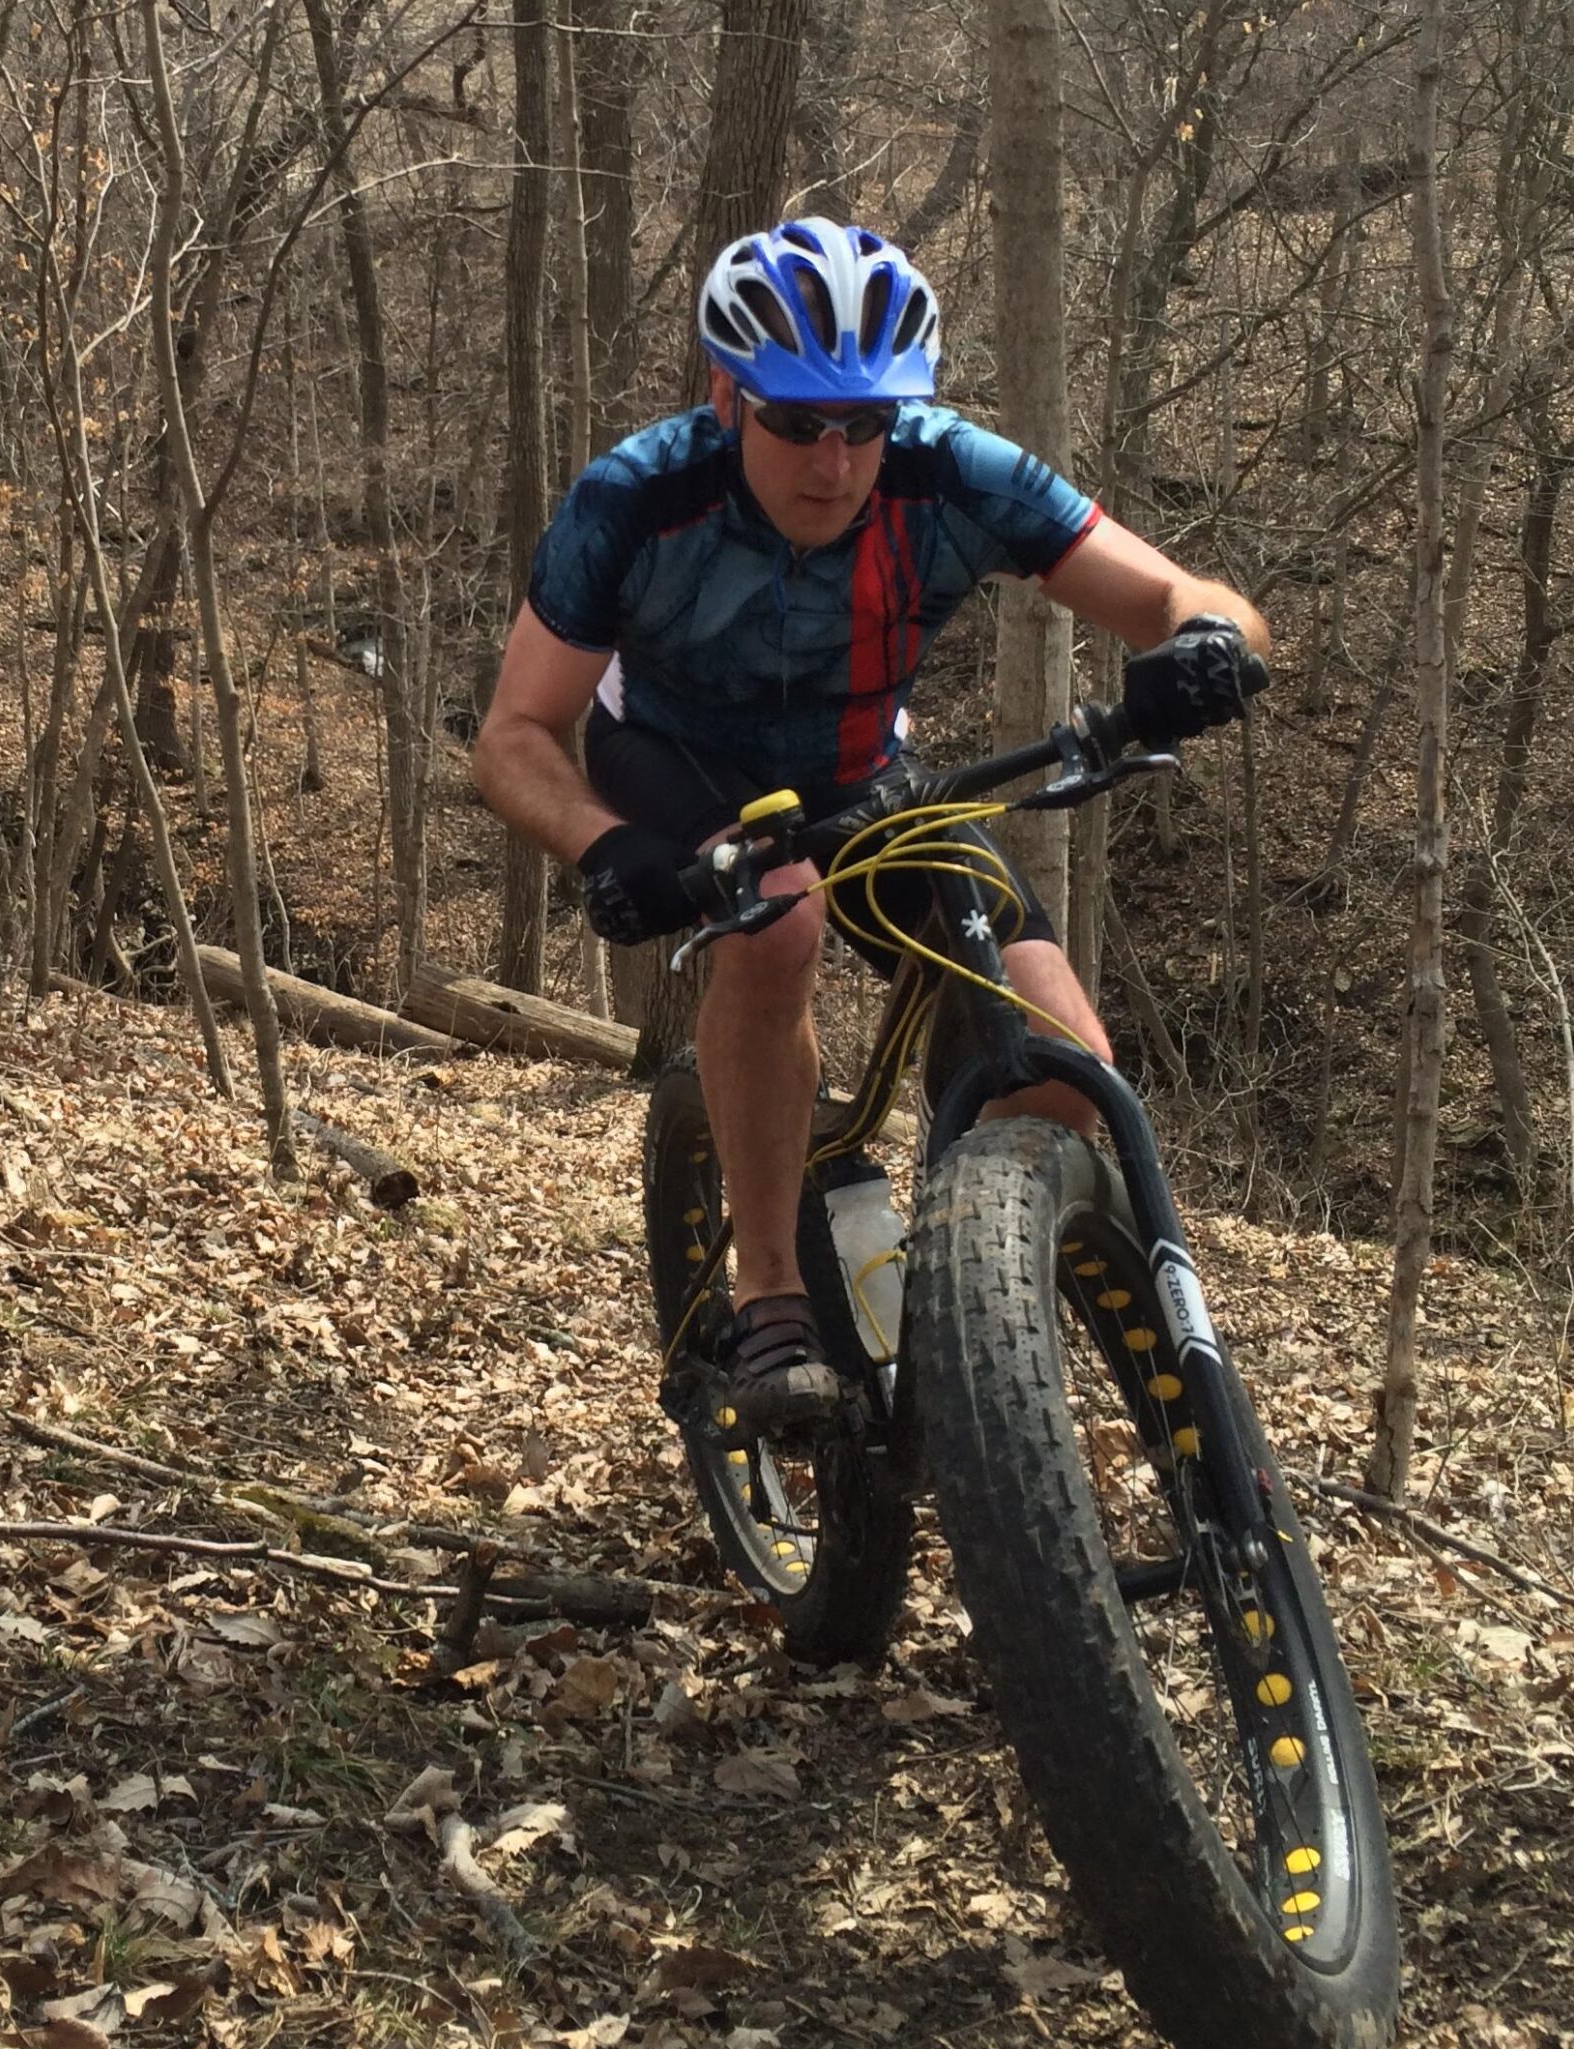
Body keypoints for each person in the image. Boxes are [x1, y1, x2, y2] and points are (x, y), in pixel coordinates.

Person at [473, 217, 1271, 1442]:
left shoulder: (952, 470)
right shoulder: (633, 500)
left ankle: (963, 1293)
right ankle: (772, 1296)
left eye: (865, 422)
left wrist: (1205, 650)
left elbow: (1188, 597)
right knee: (777, 917)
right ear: (724, 394)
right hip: (677, 758)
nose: (833, 458)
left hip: (862, 774)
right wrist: (601, 845)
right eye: (795, 420)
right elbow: (515, 732)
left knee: (1069, 1065)